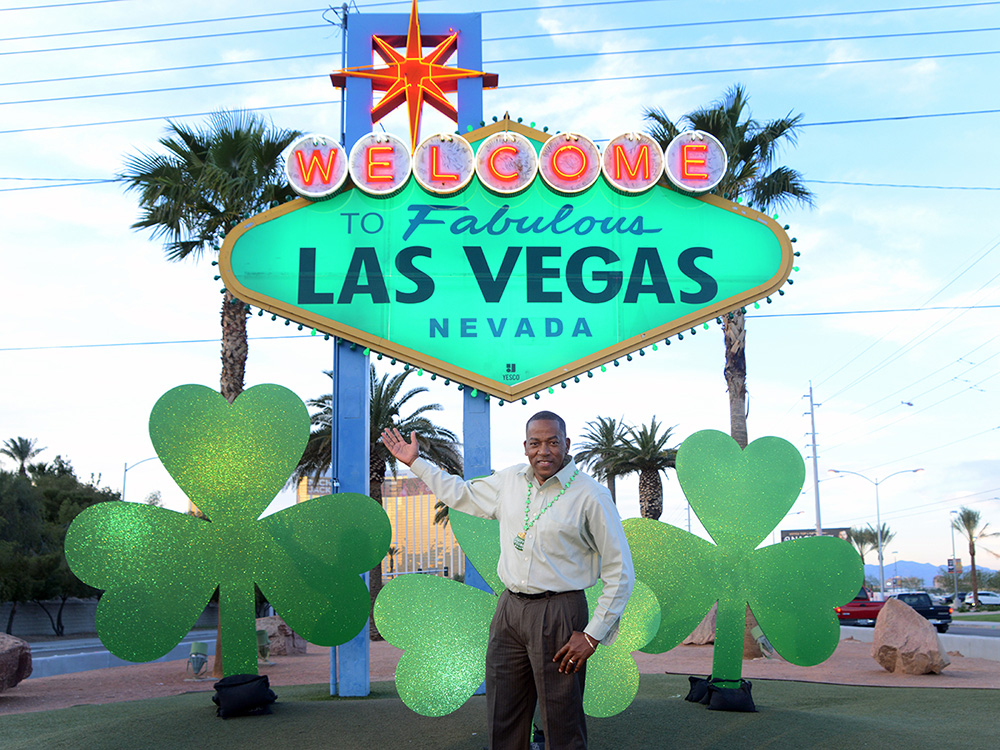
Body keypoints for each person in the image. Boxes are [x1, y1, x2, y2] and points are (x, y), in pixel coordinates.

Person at [381, 410, 633, 750]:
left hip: (559, 612)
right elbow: (461, 494)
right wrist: (417, 462)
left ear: (567, 445)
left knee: (562, 719)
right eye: (535, 443)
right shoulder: (510, 481)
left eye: (552, 442)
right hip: (509, 610)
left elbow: (621, 570)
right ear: (525, 447)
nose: (544, 451)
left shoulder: (592, 496)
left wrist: (592, 635)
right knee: (504, 713)